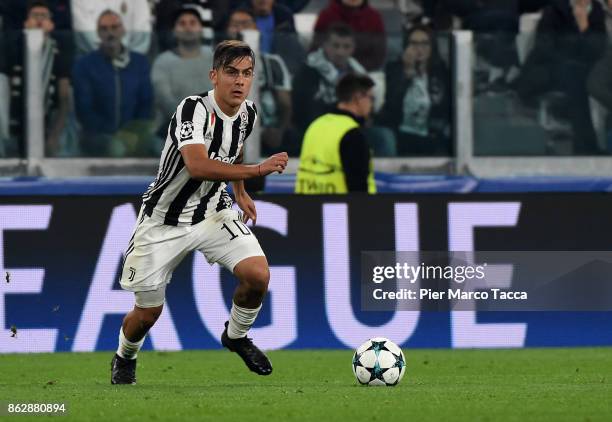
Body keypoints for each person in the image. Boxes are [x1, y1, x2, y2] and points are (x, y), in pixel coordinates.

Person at [110, 40, 289, 384]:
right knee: (147, 313)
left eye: (247, 74)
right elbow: (197, 165)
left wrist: (240, 192)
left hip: (212, 212)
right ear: (214, 75)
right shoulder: (192, 109)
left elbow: (232, 151)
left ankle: (236, 336)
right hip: (164, 220)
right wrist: (257, 171)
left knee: (258, 275)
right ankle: (125, 356)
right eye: (232, 72)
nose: (240, 81)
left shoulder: (248, 113)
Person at [515, 0, 607, 154]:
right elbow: (545, 48)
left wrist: (584, 26)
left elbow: (598, 50)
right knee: (575, 77)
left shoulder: (596, 12)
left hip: (580, 72)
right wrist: (579, 49)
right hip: (546, 70)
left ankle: (585, 145)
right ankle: (586, 147)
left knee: (581, 78)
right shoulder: (554, 10)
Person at [72, 10, 153, 157]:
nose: (110, 33)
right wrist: (114, 134)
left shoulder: (139, 62)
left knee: (160, 147)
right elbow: (84, 109)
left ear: (123, 30)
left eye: (114, 27)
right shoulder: (85, 65)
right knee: (116, 148)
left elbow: (146, 102)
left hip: (134, 133)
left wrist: (133, 132)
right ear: (98, 33)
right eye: (104, 29)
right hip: (97, 135)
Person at [225, 8, 301, 155]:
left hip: (269, 136)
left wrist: (278, 131)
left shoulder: (273, 63)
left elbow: (285, 104)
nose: (240, 29)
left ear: (256, 29)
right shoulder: (216, 65)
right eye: (235, 24)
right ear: (227, 31)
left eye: (246, 24)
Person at [6, 0, 72, 156]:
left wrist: (55, 135)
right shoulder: (13, 48)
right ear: (26, 23)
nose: (39, 20)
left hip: (50, 119)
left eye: (44, 16)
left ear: (51, 24)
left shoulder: (60, 52)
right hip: (17, 120)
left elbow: (64, 99)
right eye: (35, 16)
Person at [295, 73, 376, 194]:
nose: (372, 104)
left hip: (306, 209)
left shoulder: (315, 126)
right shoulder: (352, 134)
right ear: (358, 98)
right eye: (371, 98)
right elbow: (358, 190)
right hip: (339, 210)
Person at [377, 25, 451, 155]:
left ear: (432, 47)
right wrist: (408, 72)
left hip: (432, 137)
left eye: (425, 44)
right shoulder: (394, 69)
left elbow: (445, 108)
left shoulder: (441, 73)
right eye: (414, 43)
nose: (419, 49)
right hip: (401, 135)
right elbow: (392, 105)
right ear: (406, 46)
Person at [292, 23, 366, 134]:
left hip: (352, 129)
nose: (340, 52)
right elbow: (305, 110)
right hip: (316, 129)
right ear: (325, 45)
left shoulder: (359, 73)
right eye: (335, 46)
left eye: (346, 47)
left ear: (353, 48)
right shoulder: (308, 71)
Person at [151, 5, 214, 136]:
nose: (188, 27)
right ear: (174, 31)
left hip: (214, 128)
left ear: (201, 29)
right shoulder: (162, 62)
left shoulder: (216, 59)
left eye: (193, 23)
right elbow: (166, 102)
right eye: (182, 23)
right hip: (171, 131)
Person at [313, 0, 387, 71]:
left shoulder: (374, 18)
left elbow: (378, 56)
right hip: (326, 73)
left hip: (364, 74)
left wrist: (354, 71)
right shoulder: (326, 15)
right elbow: (316, 50)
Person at [71, 0, 152, 54]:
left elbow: (142, 38)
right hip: (92, 62)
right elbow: (88, 37)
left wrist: (125, 56)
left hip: (132, 62)